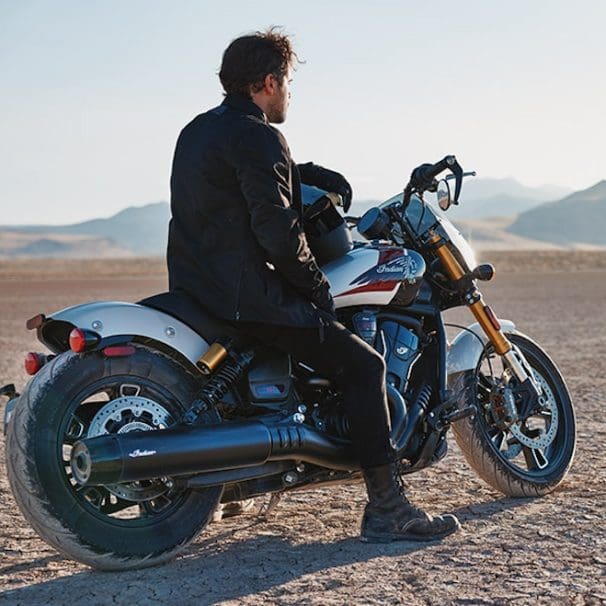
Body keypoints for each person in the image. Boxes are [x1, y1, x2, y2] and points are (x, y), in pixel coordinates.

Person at [167, 27, 460, 542]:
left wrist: (300, 171)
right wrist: (314, 289)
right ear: (268, 82)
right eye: (287, 82)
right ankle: (389, 508)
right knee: (364, 366)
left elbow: (227, 189)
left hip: (197, 288)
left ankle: (228, 490)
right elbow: (276, 230)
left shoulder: (196, 131)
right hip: (247, 296)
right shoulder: (259, 134)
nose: (287, 94)